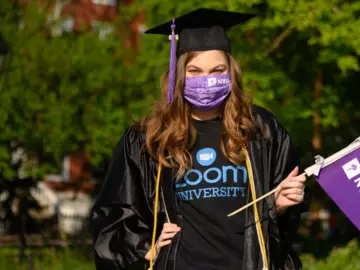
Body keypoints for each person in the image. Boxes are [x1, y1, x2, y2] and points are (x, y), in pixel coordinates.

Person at [91, 8, 311, 270]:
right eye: (195, 71)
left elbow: (285, 218)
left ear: (231, 73)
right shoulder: (149, 138)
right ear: (180, 74)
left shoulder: (259, 130)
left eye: (217, 70)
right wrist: (144, 247)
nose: (207, 80)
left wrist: (280, 206)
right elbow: (113, 211)